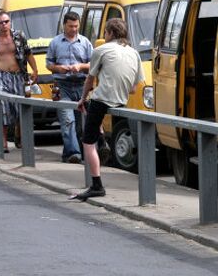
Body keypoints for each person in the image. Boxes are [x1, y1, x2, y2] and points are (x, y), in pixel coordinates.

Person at [70, 19, 144, 200]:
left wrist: (81, 98)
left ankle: (96, 184)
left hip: (102, 100)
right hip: (122, 100)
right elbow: (134, 88)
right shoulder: (134, 53)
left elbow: (89, 79)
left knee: (87, 140)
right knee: (93, 108)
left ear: (110, 33)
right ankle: (102, 139)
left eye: (105, 32)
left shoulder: (101, 50)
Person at [46, 12, 92, 164]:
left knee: (80, 123)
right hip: (62, 86)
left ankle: (71, 153)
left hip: (81, 85)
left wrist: (80, 66)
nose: (74, 29)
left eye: (76, 26)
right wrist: (59, 69)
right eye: (71, 26)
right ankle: (74, 154)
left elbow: (93, 65)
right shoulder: (55, 43)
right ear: (64, 25)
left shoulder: (85, 42)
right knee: (68, 120)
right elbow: (49, 64)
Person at [0, 11, 38, 154]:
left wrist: (35, 70)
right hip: (0, 76)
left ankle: (20, 137)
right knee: (3, 108)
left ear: (10, 22)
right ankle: (3, 142)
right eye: (1, 22)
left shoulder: (19, 36)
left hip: (18, 76)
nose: (4, 25)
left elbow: (28, 53)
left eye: (6, 21)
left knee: (20, 107)